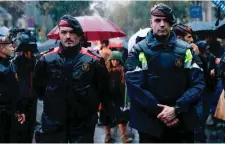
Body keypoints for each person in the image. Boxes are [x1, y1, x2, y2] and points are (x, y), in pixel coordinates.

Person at [125, 3, 205, 143]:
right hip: (149, 126)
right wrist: (162, 112)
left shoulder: (187, 50)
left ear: (171, 23)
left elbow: (198, 84)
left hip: (182, 123)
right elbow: (134, 87)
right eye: (157, 20)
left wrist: (176, 109)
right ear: (151, 22)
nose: (162, 24)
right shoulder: (138, 50)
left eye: (166, 20)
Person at [33, 14, 111, 143]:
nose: (68, 36)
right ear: (59, 34)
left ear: (79, 35)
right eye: (64, 32)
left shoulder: (94, 61)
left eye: (72, 32)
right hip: (53, 124)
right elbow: (39, 88)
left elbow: (103, 91)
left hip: (82, 126)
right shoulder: (45, 59)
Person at [103, 51, 132, 143]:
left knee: (121, 117)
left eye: (117, 60)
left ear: (120, 61)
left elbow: (126, 85)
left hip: (119, 97)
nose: (115, 62)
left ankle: (124, 136)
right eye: (113, 60)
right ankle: (108, 135)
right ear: (110, 60)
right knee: (106, 116)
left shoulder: (123, 71)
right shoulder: (106, 70)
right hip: (107, 97)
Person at [0, 37, 25, 142]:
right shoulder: (5, 67)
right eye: (10, 46)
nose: (13, 49)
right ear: (1, 48)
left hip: (11, 111)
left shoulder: (10, 64)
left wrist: (19, 109)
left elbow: (16, 90)